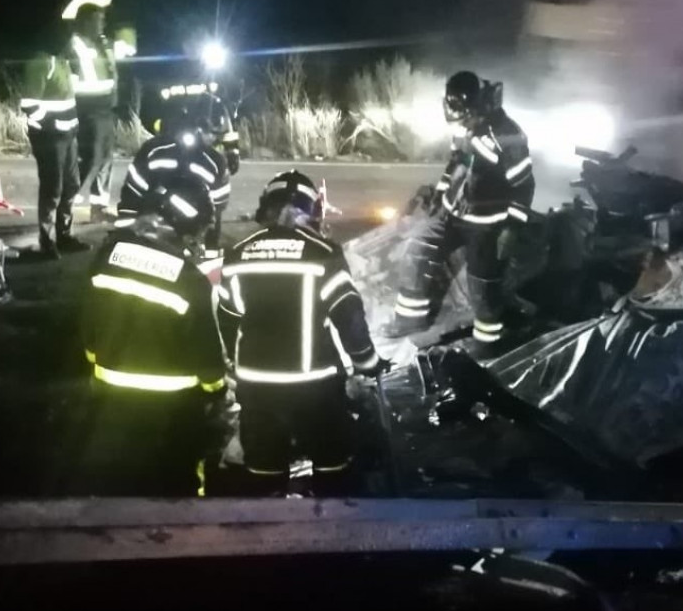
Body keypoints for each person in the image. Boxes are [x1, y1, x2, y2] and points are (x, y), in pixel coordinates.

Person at [217, 170, 387, 495]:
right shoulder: (323, 253)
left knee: (264, 471)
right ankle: (331, 529)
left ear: (266, 206)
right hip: (316, 389)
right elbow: (349, 316)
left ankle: (269, 533)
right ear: (311, 210)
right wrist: (368, 364)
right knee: (332, 465)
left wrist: (238, 369)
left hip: (258, 388)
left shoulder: (238, 254)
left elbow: (228, 318)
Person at [74, 174, 236, 496]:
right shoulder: (189, 279)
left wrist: (95, 362)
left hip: (111, 393)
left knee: (119, 474)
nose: (197, 242)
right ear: (183, 225)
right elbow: (206, 355)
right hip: (173, 406)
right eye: (197, 233)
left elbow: (88, 324)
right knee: (179, 479)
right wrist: (217, 391)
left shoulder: (107, 255)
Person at [386, 71, 535, 348]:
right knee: (417, 249)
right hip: (452, 215)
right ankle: (410, 320)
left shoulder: (508, 136)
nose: (460, 120)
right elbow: (456, 165)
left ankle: (488, 342)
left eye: (463, 112)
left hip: (486, 225)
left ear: (477, 106)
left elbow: (525, 186)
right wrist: (440, 196)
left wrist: (511, 228)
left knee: (482, 289)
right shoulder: (463, 128)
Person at [119, 90, 233, 256]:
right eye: (213, 135)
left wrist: (125, 239)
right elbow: (215, 213)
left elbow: (130, 198)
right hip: (167, 238)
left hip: (150, 237)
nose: (215, 140)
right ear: (198, 128)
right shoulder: (215, 163)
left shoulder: (152, 150)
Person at [18, 53, 89, 258]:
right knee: (53, 188)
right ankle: (46, 241)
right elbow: (29, 103)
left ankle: (64, 235)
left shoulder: (62, 61)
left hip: (67, 134)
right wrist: (49, 125)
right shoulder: (42, 61)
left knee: (72, 184)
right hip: (50, 137)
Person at [62, 0, 118, 222]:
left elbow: (111, 73)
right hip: (88, 111)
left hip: (106, 109)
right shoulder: (75, 46)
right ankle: (65, 204)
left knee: (106, 158)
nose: (102, 24)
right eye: (98, 20)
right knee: (90, 159)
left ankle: (99, 206)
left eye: (103, 20)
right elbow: (70, 82)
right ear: (85, 22)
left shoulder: (101, 44)